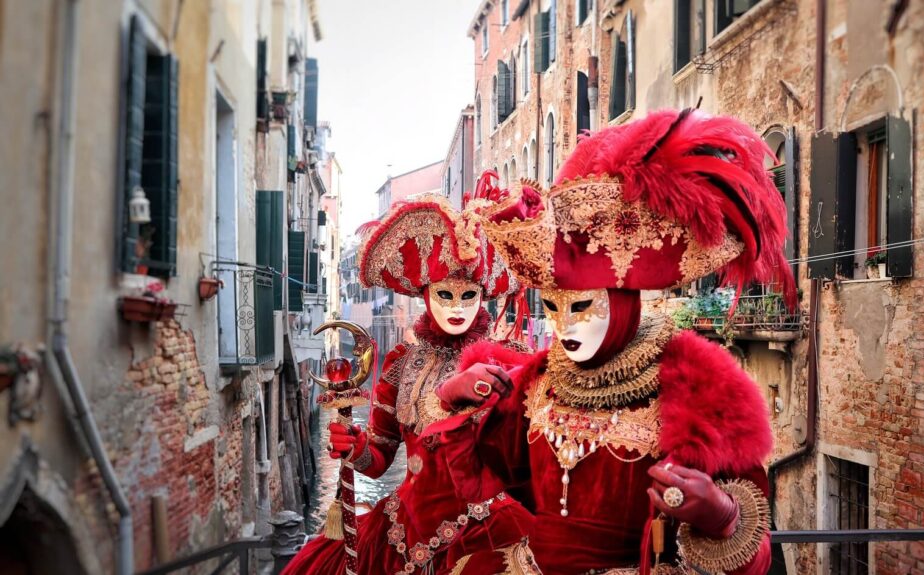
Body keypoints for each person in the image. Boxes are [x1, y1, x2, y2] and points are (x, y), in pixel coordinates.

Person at [425, 109, 795, 574]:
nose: (565, 328)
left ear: (622, 302)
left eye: (581, 308)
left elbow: (754, 556)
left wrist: (722, 515)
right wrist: (454, 401)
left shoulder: (698, 389)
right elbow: (477, 482)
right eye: (553, 309)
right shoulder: (538, 381)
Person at [282, 195, 541, 575]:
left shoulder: (510, 357)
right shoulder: (401, 361)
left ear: (483, 295)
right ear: (425, 294)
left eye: (468, 296)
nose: (456, 307)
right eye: (445, 295)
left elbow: (530, 459)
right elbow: (381, 456)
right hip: (407, 532)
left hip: (492, 531)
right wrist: (356, 448)